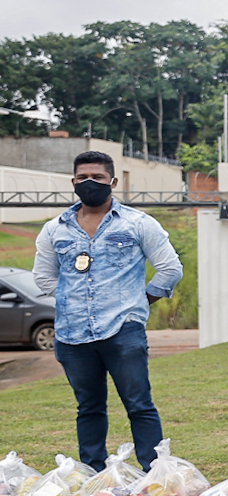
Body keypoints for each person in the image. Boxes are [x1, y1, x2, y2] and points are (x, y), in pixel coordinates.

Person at [32, 150, 182, 472]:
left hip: (122, 330)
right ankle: (93, 476)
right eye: (83, 177)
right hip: (72, 335)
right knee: (88, 408)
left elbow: (170, 269)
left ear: (112, 181)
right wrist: (74, 299)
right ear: (73, 182)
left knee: (139, 405)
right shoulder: (54, 230)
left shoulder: (138, 223)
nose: (90, 183)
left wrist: (140, 301)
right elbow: (43, 277)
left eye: (98, 177)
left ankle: (154, 476)